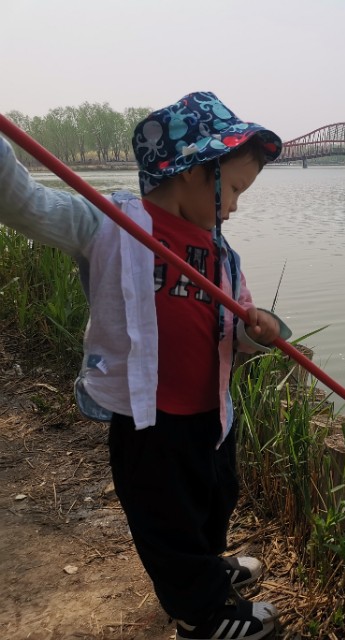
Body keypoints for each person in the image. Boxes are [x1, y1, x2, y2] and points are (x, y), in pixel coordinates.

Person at [0, 91, 292, 640]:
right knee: (167, 521)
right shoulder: (110, 223)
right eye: (232, 189)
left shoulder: (219, 251)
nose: (234, 206)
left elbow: (238, 325)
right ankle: (200, 616)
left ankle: (206, 569)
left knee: (213, 501)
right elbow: (24, 204)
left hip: (212, 415)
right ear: (190, 172)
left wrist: (262, 332)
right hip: (151, 421)